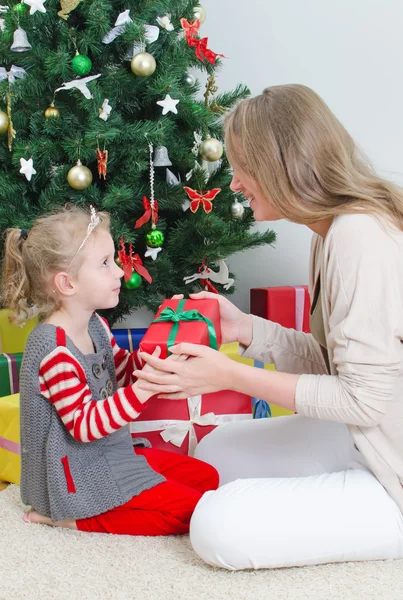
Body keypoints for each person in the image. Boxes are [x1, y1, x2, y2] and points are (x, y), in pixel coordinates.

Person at [134, 84, 403, 569]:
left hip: (392, 466)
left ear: (282, 165)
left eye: (243, 166)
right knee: (215, 453)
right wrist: (245, 329)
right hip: (364, 436)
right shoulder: (333, 231)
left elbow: (363, 398)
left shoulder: (358, 236)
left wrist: (229, 375)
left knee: (217, 528)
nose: (235, 183)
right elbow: (333, 367)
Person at [1, 205, 218, 536]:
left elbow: (124, 371)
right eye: (105, 264)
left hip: (112, 455)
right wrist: (143, 390)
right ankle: (74, 519)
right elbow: (85, 426)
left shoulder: (95, 325)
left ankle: (115, 500)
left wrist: (159, 354)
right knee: (191, 513)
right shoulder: (54, 349)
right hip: (74, 477)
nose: (119, 272)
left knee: (207, 479)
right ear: (67, 283)